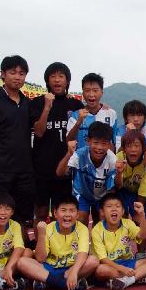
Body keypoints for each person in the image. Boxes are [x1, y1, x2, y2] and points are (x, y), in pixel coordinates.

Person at [0, 56, 42, 228]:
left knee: (22, 217)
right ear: (3, 74)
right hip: (0, 170)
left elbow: (39, 130)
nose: (17, 77)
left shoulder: (28, 103)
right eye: (13, 72)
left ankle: (19, 251)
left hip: (24, 171)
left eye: (22, 73)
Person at [31, 62, 84, 223]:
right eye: (53, 76)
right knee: (40, 212)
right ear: (47, 81)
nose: (57, 80)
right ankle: (38, 245)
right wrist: (47, 107)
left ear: (67, 81)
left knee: (60, 214)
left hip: (65, 170)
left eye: (61, 76)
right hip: (41, 168)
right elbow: (39, 132)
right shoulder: (38, 102)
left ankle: (57, 247)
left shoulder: (75, 105)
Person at [17, 195, 99, 290]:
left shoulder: (82, 229)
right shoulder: (48, 228)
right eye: (63, 210)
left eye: (72, 211)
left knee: (93, 261)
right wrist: (42, 235)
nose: (67, 214)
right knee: (22, 262)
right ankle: (65, 283)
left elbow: (83, 253)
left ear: (77, 215)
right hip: (49, 268)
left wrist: (74, 271)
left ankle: (47, 282)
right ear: (55, 213)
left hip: (70, 268)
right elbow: (40, 258)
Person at [56, 121, 120, 224]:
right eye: (95, 143)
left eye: (104, 143)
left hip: (102, 195)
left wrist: (108, 206)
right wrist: (69, 154)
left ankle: (98, 239)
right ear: (88, 141)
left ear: (109, 144)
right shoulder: (79, 155)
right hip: (82, 195)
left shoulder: (112, 159)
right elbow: (60, 173)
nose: (99, 148)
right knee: (80, 219)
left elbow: (114, 187)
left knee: (103, 219)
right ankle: (81, 239)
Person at [91, 193, 146, 290]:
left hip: (127, 262)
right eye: (109, 206)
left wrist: (142, 216)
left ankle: (127, 280)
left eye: (117, 206)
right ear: (102, 212)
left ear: (122, 211)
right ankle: (138, 277)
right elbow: (103, 259)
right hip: (109, 265)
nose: (114, 209)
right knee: (100, 270)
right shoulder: (97, 230)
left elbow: (142, 236)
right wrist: (123, 270)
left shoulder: (127, 223)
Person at [66, 73, 120, 151]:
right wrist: (78, 122)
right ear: (83, 93)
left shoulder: (111, 114)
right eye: (87, 90)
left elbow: (115, 143)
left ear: (101, 92)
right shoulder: (75, 115)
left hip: (105, 161)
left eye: (95, 90)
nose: (91, 94)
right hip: (81, 161)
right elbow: (68, 140)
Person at [116, 129, 146, 217]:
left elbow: (142, 195)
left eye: (137, 146)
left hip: (137, 193)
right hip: (121, 191)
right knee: (120, 217)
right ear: (124, 149)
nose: (133, 149)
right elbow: (118, 186)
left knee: (139, 218)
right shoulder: (119, 158)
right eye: (129, 146)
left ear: (143, 148)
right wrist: (119, 173)